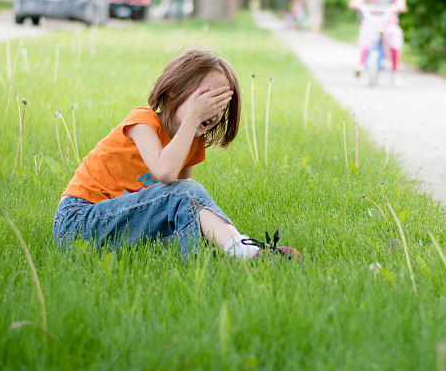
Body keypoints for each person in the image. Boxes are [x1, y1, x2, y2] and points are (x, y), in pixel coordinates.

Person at [53, 49, 299, 261]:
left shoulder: (192, 141)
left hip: (119, 222)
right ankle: (241, 251)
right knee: (186, 190)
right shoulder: (143, 121)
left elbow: (182, 204)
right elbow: (166, 174)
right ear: (174, 92)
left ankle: (225, 254)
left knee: (185, 207)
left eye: (220, 105)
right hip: (78, 221)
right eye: (206, 99)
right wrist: (192, 118)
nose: (212, 111)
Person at [348, 0, 407, 87]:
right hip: (373, 21)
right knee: (365, 34)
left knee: (395, 38)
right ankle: (361, 63)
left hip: (388, 22)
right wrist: (355, 2)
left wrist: (400, 5)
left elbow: (400, 1)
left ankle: (395, 72)